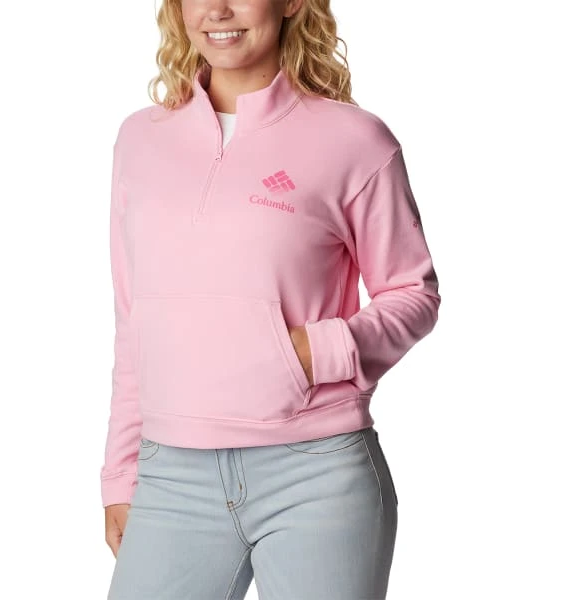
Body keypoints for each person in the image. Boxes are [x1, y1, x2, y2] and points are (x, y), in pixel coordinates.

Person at [100, 0, 441, 598]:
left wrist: (315, 351)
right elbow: (133, 319)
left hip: (316, 473)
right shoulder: (140, 139)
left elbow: (413, 291)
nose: (218, 10)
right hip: (170, 476)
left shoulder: (354, 140)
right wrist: (120, 472)